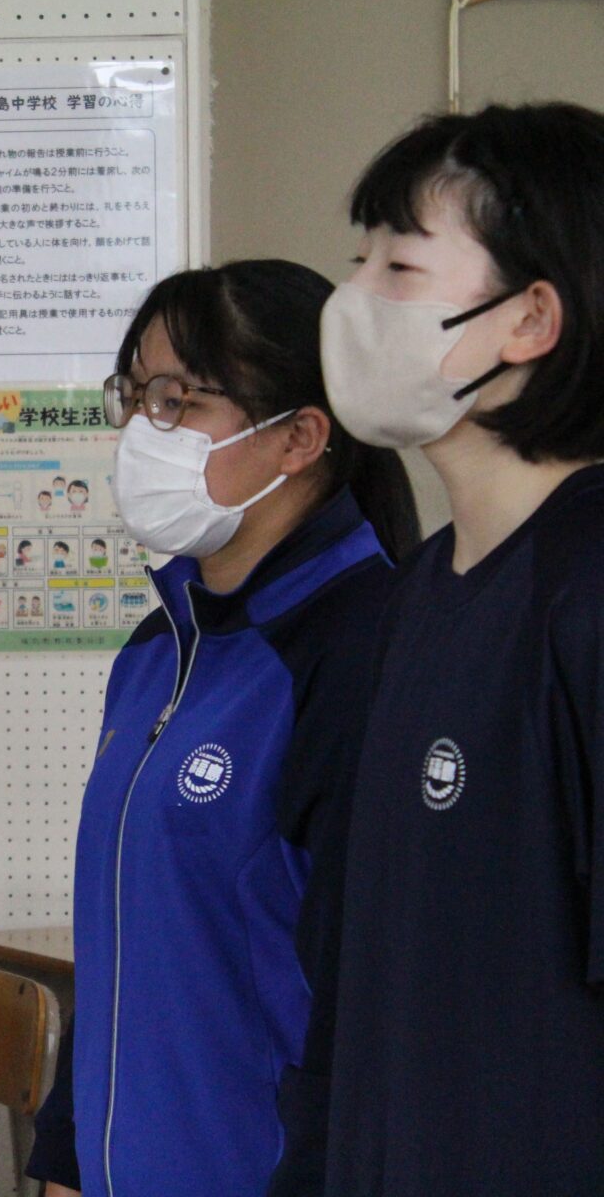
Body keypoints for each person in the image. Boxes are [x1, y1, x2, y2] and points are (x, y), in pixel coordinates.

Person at [27, 260, 421, 1197]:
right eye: (134, 396)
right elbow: (121, 935)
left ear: (299, 437)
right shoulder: (157, 649)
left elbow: (364, 1002)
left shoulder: (367, 648)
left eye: (178, 400)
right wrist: (65, 1156)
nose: (139, 430)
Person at [282, 102, 604, 1195]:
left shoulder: (588, 590)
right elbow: (358, 974)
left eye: (401, 268)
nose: (354, 300)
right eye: (358, 260)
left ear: (530, 319)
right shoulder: (415, 596)